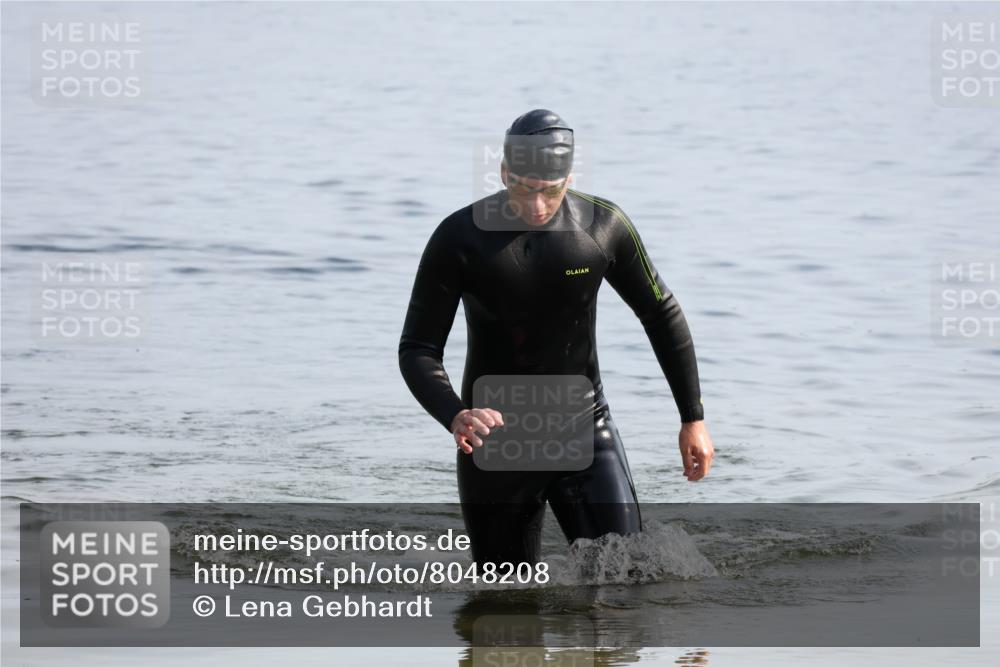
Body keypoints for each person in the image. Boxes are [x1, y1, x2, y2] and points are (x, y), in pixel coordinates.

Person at [398, 109, 714, 566]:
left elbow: (660, 312)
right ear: (503, 172)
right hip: (496, 444)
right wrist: (455, 414)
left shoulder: (602, 226)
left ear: (569, 178)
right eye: (524, 188)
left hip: (585, 429)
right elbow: (418, 349)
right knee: (504, 598)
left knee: (628, 577)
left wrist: (692, 418)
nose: (537, 206)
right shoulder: (459, 238)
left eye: (551, 190)